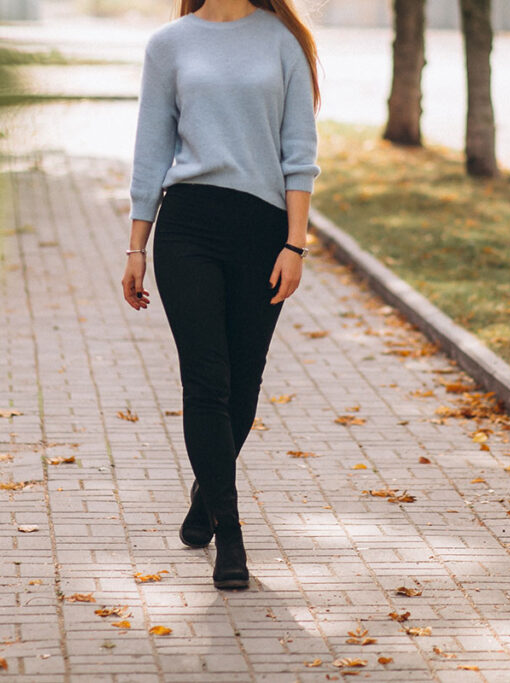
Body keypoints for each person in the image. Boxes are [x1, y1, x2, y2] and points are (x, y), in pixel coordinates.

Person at [120, 0, 321, 590]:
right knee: (206, 380)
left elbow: (299, 152)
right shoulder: (169, 44)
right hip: (188, 229)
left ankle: (206, 490)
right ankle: (229, 539)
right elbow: (150, 151)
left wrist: (295, 245)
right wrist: (136, 246)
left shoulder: (285, 41)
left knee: (243, 382)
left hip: (262, 234)